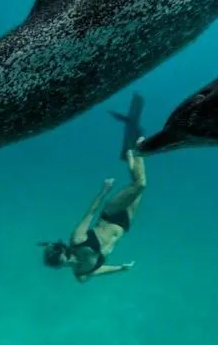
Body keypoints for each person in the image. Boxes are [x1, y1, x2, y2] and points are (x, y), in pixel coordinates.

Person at [40, 95, 148, 282]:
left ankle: (138, 148)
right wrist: (120, 269)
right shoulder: (81, 274)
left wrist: (104, 190)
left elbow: (90, 213)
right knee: (137, 182)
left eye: (63, 259)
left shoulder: (77, 240)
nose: (68, 262)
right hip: (125, 224)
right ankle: (130, 151)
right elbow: (97, 271)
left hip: (111, 213)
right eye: (62, 265)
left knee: (140, 184)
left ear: (64, 253)